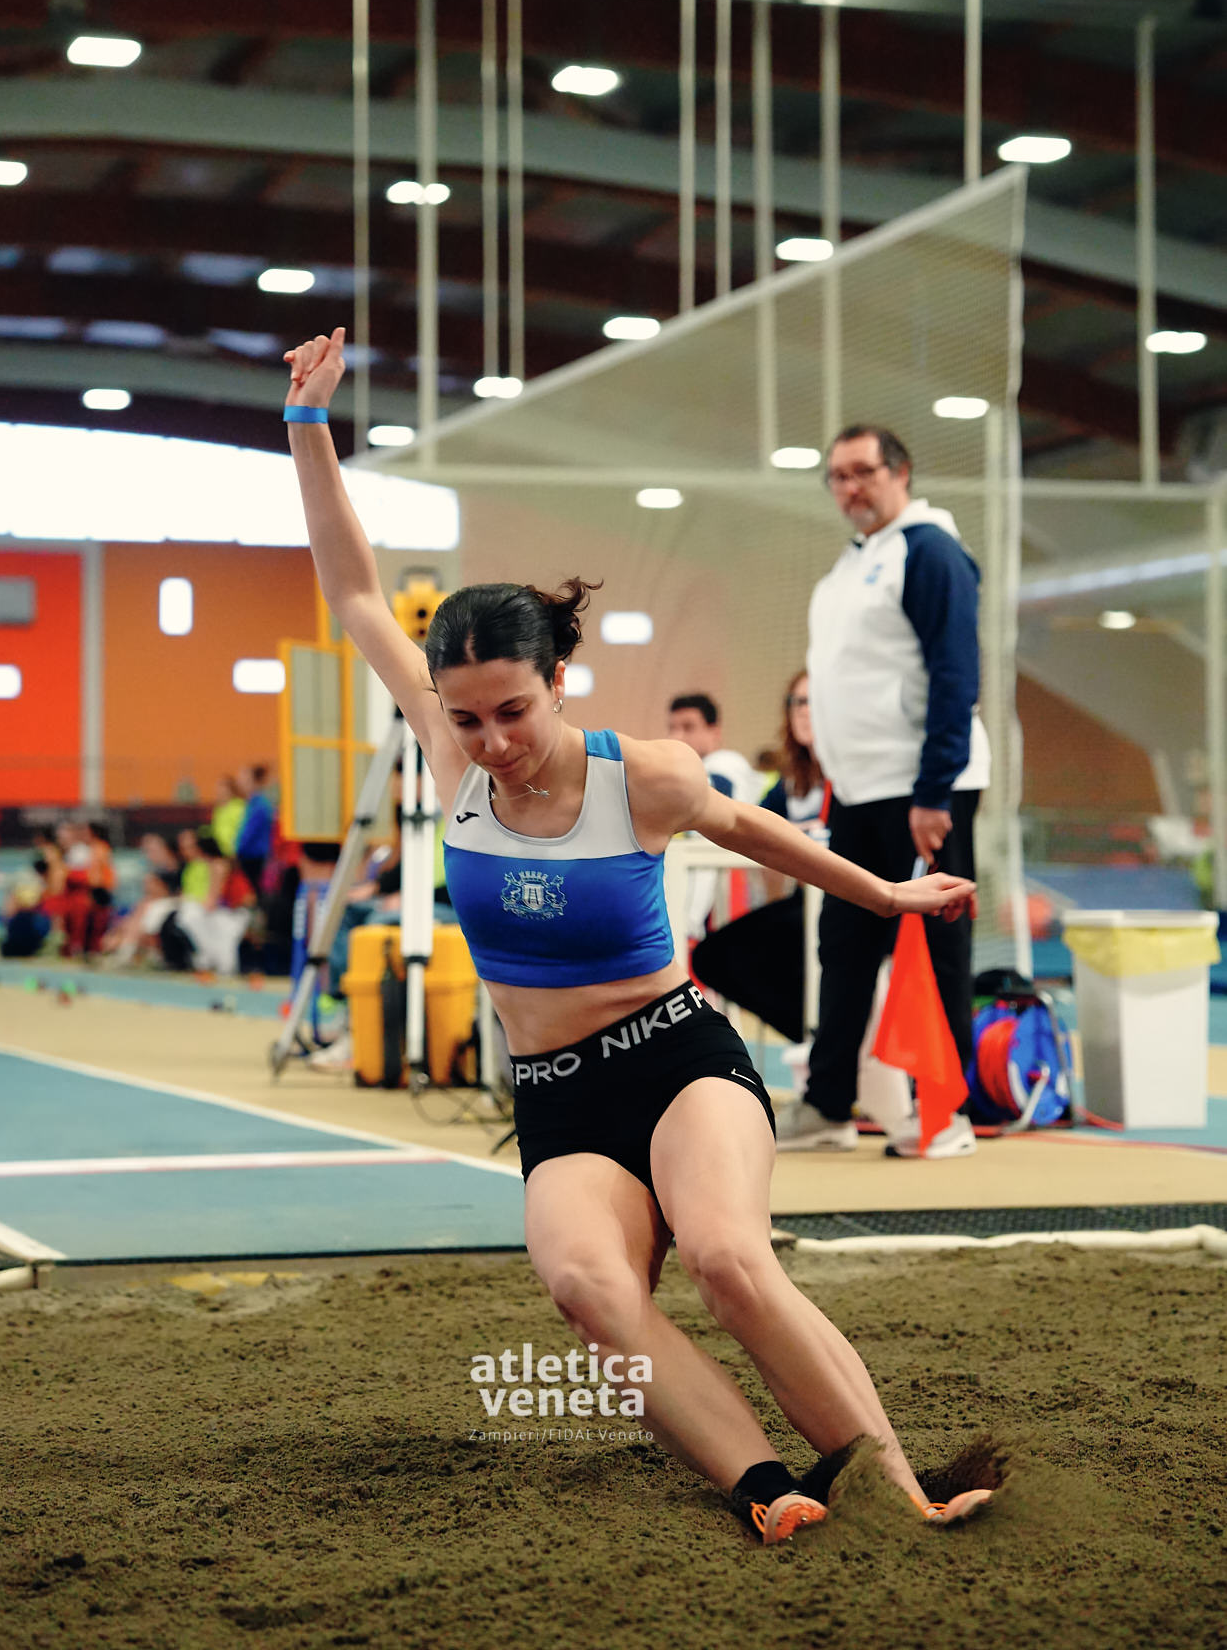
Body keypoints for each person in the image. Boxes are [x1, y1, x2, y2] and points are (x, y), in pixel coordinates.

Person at [282, 324, 992, 1542]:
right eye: (468, 717)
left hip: (676, 1057)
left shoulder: (643, 775)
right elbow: (352, 587)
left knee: (725, 1256)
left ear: (557, 677)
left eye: (514, 710)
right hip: (558, 1092)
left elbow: (757, 829)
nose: (494, 741)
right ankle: (761, 1483)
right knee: (586, 1285)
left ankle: (898, 1488)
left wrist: (884, 893)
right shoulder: (452, 754)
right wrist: (308, 423)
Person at [778, 425, 989, 1161]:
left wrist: (933, 791)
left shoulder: (929, 552)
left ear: (900, 472)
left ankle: (943, 1113)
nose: (849, 488)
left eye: (862, 471)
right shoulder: (849, 565)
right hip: (860, 791)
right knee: (842, 946)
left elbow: (956, 675)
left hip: (922, 789)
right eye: (837, 476)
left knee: (935, 949)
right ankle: (828, 1104)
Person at [689, 671, 825, 1041]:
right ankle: (812, 1034)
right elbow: (756, 825)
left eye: (811, 701)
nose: (803, 711)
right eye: (796, 702)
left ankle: (823, 1035)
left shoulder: (848, 776)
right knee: (712, 958)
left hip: (848, 905)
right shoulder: (791, 780)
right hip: (804, 903)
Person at [665, 694, 764, 940]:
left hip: (727, 901)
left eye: (688, 727)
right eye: (672, 728)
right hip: (706, 905)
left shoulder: (726, 764)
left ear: (714, 731)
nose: (677, 736)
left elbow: (713, 788)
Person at [235, 765, 275, 901]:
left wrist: (237, 849)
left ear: (254, 782)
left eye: (245, 780)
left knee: (258, 892)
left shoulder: (260, 804)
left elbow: (249, 833)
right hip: (249, 855)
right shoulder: (251, 803)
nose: (241, 784)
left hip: (255, 856)